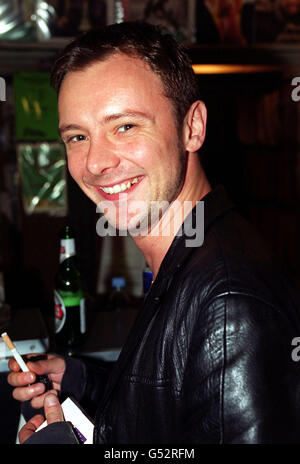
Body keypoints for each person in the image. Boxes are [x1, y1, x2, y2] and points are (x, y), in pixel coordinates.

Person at [7, 21, 300, 444]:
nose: (95, 163)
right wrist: (80, 380)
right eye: (77, 136)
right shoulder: (189, 257)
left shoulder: (228, 304)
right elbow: (171, 417)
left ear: (192, 127)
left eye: (125, 126)